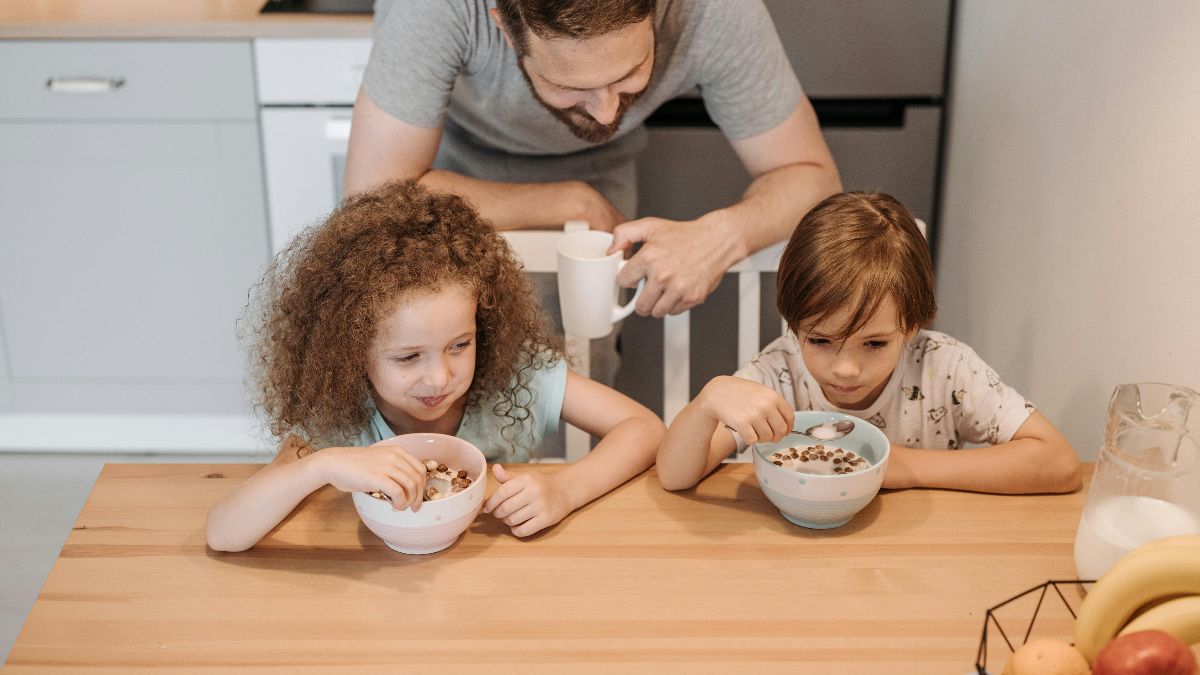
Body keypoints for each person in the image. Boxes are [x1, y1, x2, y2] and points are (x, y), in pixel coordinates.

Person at [344, 0, 842, 385]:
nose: (606, 112)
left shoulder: (713, 10)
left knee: (576, 371)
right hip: (443, 174)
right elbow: (375, 192)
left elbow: (812, 174)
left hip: (602, 172)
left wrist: (722, 234)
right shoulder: (437, 8)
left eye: (629, 74)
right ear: (503, 25)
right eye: (570, 85)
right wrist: (567, 201)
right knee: (434, 368)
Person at [206, 182, 664, 552]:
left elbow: (643, 428)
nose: (440, 378)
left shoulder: (515, 378)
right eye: (408, 357)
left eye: (460, 344)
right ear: (349, 352)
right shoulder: (338, 416)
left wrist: (566, 491)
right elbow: (224, 534)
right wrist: (320, 467)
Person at [655, 192, 1082, 494]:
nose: (844, 368)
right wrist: (708, 401)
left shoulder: (945, 367)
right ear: (792, 322)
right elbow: (674, 475)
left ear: (912, 325)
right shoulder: (776, 374)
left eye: (874, 344)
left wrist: (909, 467)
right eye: (820, 340)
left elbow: (1059, 464)